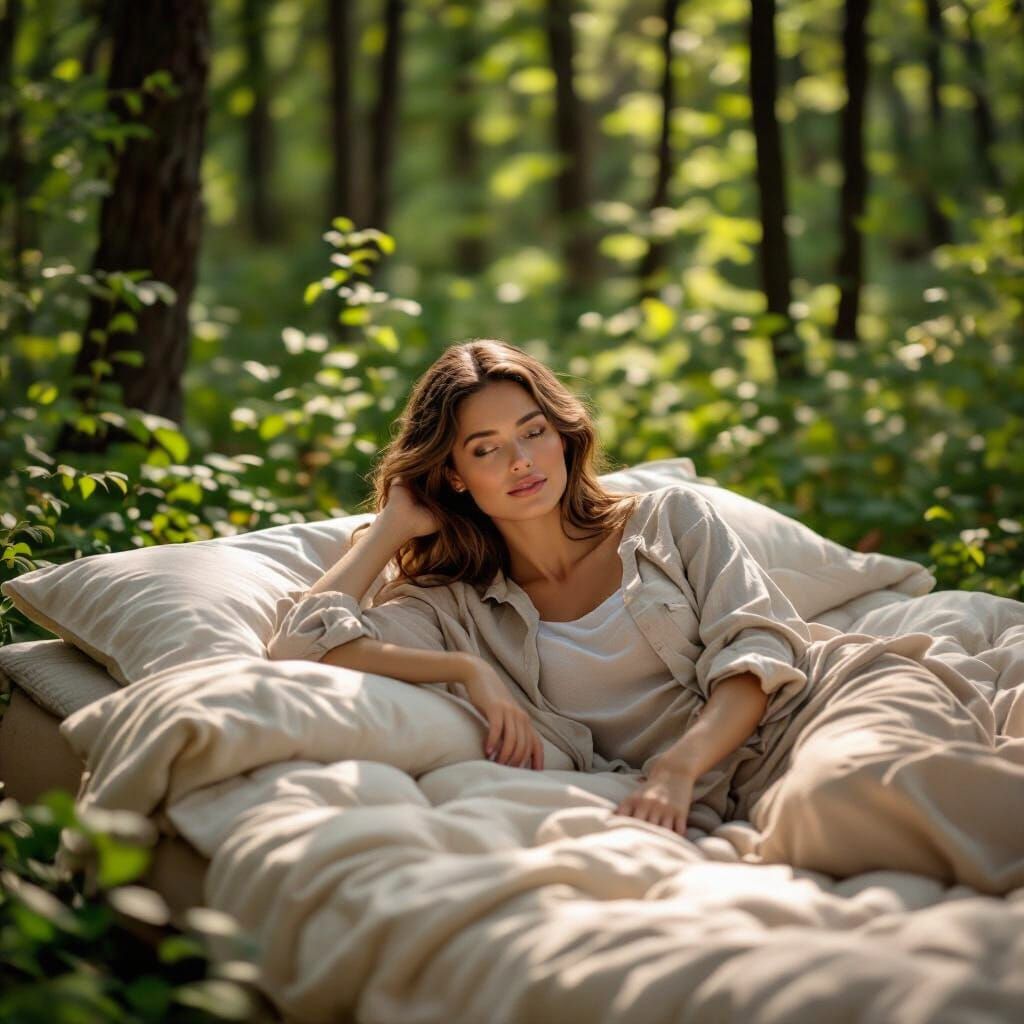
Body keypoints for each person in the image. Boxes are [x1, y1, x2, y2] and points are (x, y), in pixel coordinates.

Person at [269, 339, 1024, 895]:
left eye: (533, 431)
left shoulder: (670, 520)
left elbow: (755, 649)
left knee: (851, 794)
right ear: (453, 477)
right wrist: (397, 537)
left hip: (821, 707)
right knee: (817, 823)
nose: (522, 461)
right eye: (486, 449)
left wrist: (677, 767)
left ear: (562, 433)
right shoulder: (456, 608)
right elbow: (299, 646)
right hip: (739, 792)